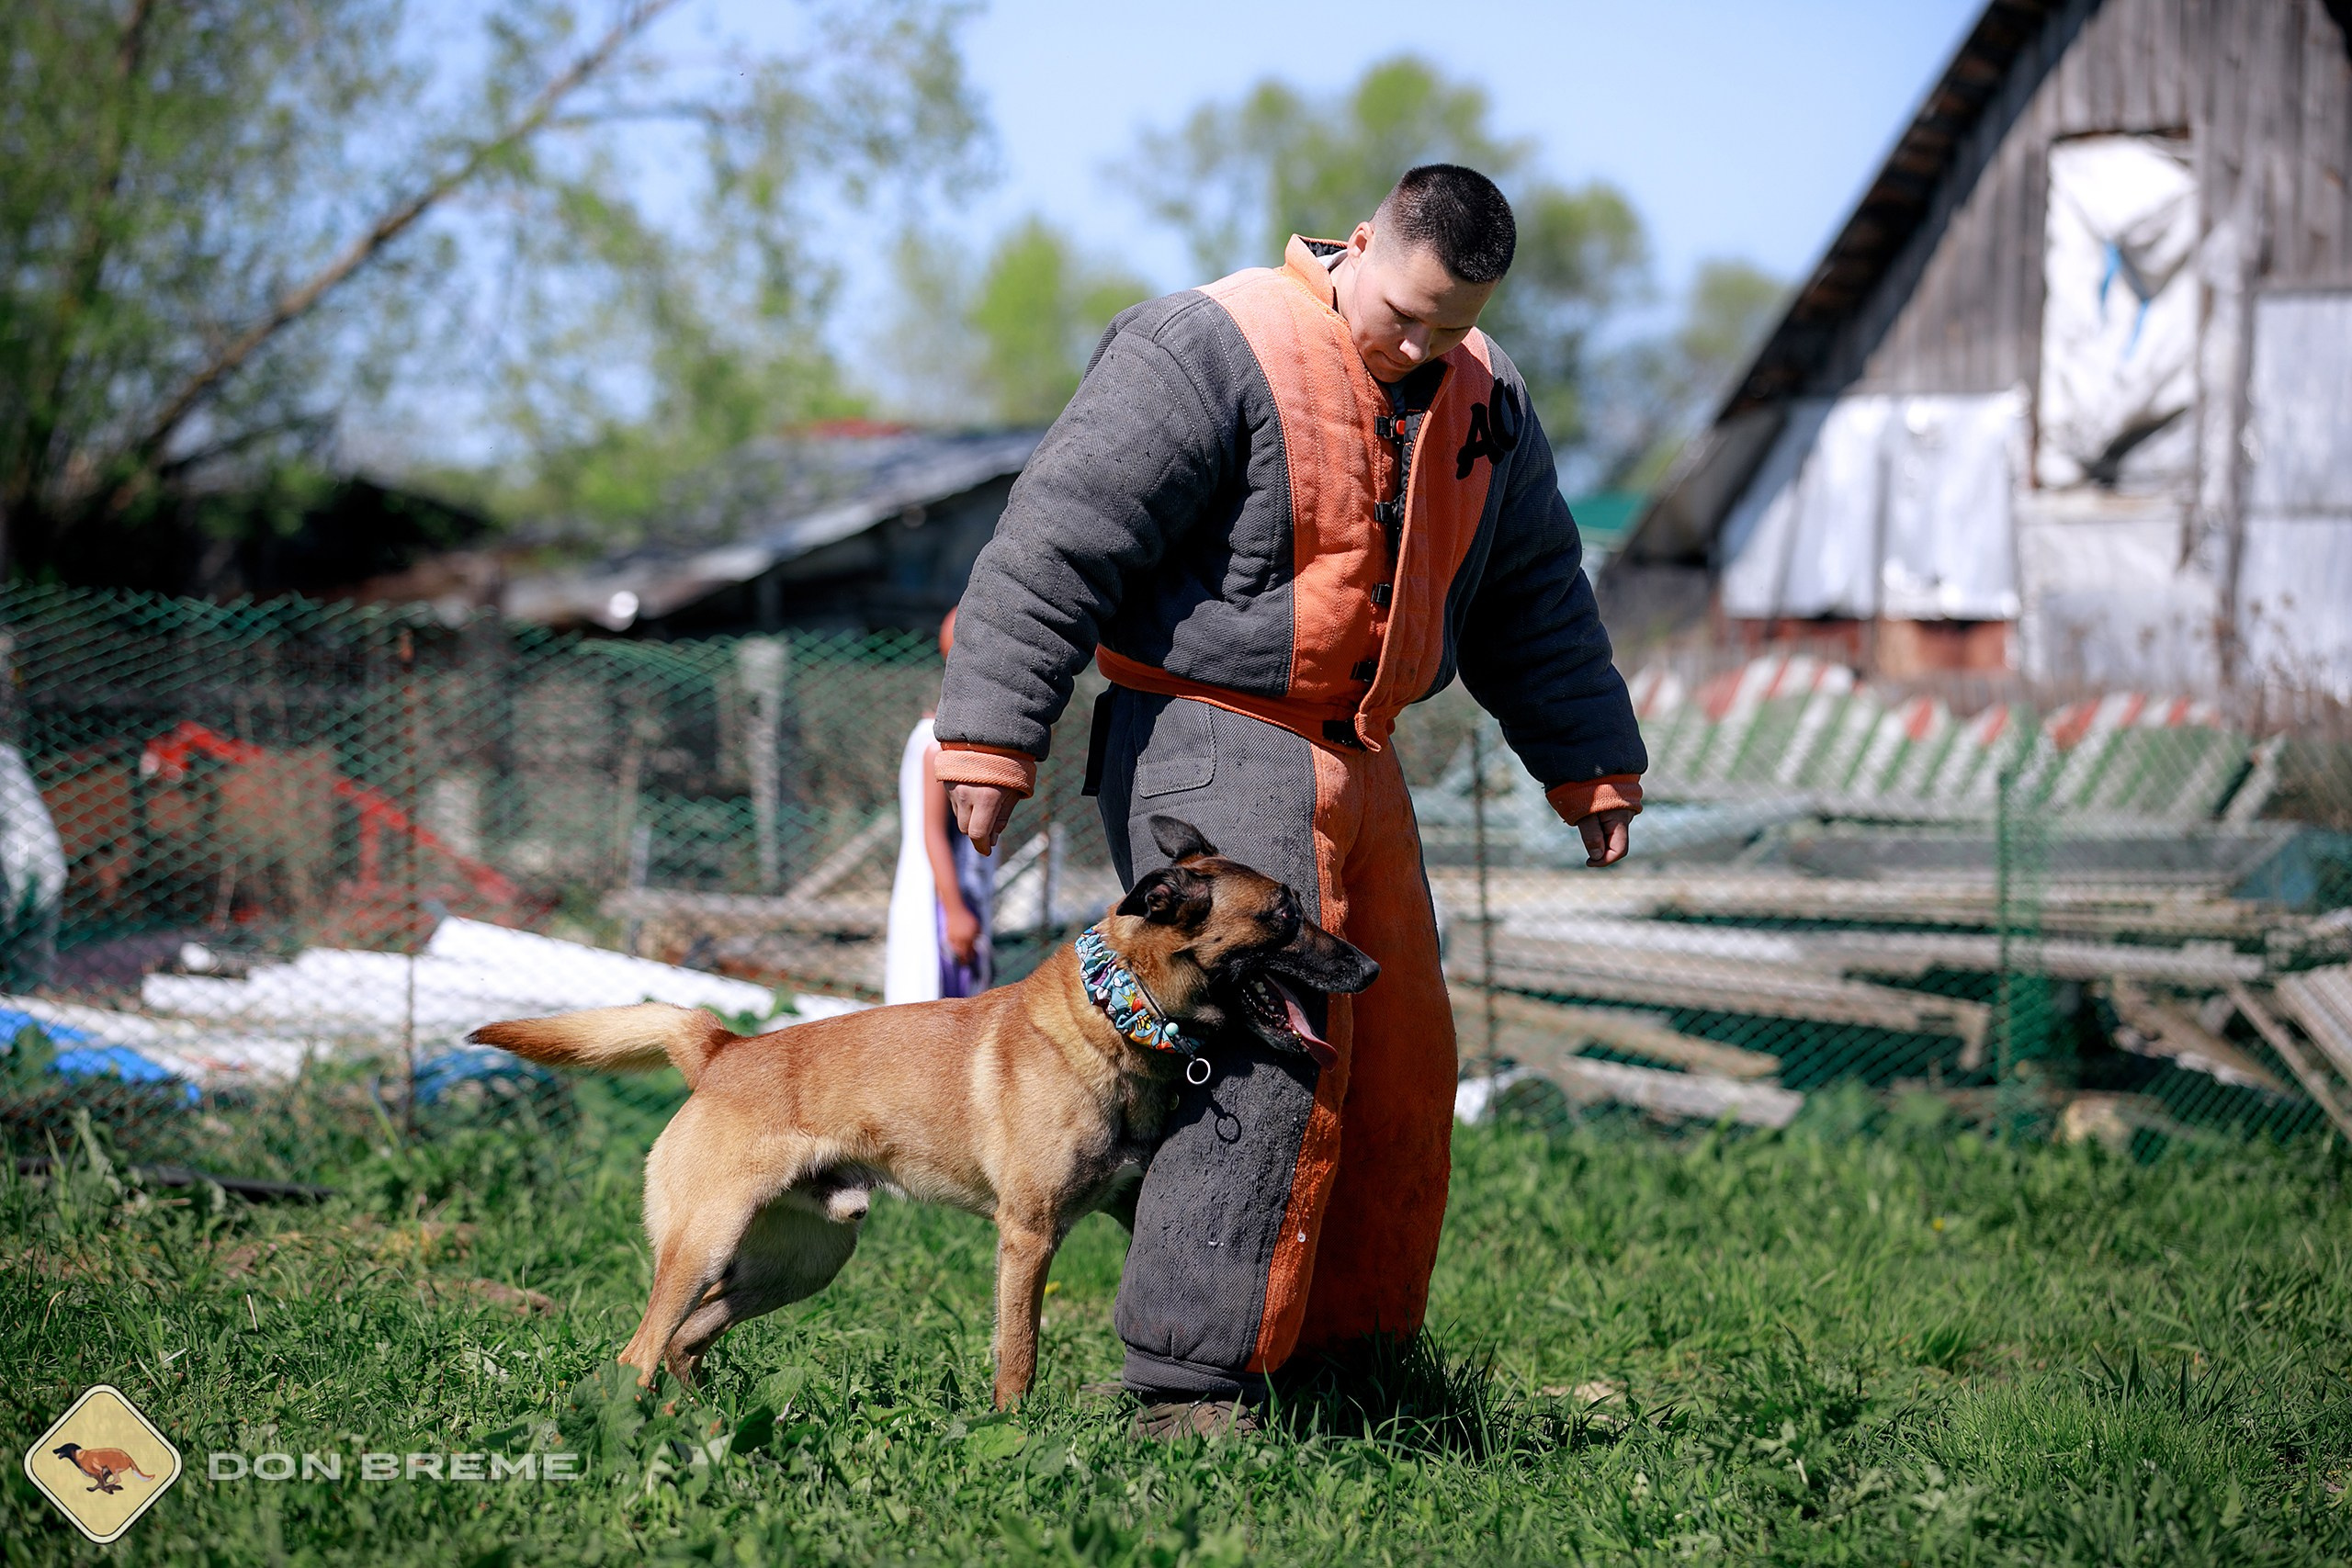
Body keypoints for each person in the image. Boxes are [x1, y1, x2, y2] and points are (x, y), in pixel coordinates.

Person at [933, 164, 1645, 1434]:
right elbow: (1055, 537)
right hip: (1211, 739)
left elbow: (1536, 590)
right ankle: (1189, 1386)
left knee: (1403, 1056)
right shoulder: (1205, 342)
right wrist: (991, 736)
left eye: (1455, 323)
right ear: (1360, 241)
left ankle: (1353, 1364)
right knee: (1263, 1057)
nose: (1423, 345)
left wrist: (1587, 760)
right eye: (1407, 313)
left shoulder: (1489, 395)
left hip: (1364, 754)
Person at [883, 609, 992, 1005]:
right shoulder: (935, 744)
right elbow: (932, 832)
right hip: (939, 905)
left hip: (961, 894)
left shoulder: (953, 736)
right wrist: (956, 911)